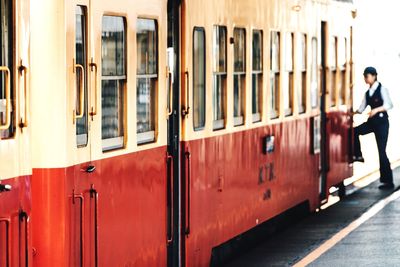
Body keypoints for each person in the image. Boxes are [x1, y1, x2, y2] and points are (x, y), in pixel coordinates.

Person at [353, 66, 394, 189]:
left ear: (374, 76)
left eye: (367, 76)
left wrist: (376, 110)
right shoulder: (368, 93)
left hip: (382, 123)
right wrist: (352, 113)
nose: (365, 79)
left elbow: (389, 104)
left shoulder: (382, 89)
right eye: (364, 76)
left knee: (382, 151)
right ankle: (358, 154)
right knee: (355, 131)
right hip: (372, 123)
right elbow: (361, 108)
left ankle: (388, 181)